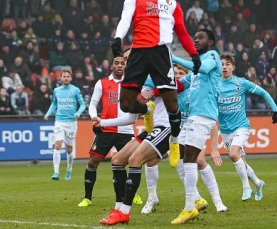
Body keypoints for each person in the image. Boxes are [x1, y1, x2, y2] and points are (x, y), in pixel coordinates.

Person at [110, 0, 201, 169]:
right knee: (125, 104)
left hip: (161, 54)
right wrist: (118, 37)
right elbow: (125, 19)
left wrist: (194, 54)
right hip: (139, 53)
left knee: (172, 106)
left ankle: (175, 141)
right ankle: (146, 110)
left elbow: (183, 32)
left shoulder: (172, 4)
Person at [141, 64, 227, 214]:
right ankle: (152, 197)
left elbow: (212, 123)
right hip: (169, 133)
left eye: (181, 72)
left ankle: (217, 201)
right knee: (151, 160)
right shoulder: (166, 92)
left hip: (190, 132)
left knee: (199, 161)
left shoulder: (193, 92)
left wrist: (214, 148)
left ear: (187, 75)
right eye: (175, 73)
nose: (178, 75)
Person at [99, 74, 171, 225]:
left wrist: (152, 93)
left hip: (166, 127)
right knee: (117, 160)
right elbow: (131, 118)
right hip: (151, 130)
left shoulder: (160, 76)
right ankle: (118, 209)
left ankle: (124, 212)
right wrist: (103, 122)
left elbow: (173, 87)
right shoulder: (140, 84)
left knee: (135, 160)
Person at [169, 29, 221, 224]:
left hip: (204, 116)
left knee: (190, 158)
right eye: (195, 37)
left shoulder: (212, 56)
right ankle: (195, 201)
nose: (196, 40)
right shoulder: (194, 73)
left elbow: (203, 68)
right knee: (182, 157)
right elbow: (179, 85)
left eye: (201, 37)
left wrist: (174, 57)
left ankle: (189, 207)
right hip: (192, 117)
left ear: (211, 42)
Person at [78, 55, 143, 207]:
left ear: (125, 66)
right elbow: (93, 104)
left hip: (126, 131)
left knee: (133, 162)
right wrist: (94, 117)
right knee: (93, 162)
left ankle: (132, 194)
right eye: (117, 63)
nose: (120, 66)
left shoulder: (132, 84)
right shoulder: (102, 83)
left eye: (122, 63)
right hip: (106, 129)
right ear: (112, 66)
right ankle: (87, 197)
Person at [218, 52, 277, 201]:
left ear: (233, 67)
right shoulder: (214, 84)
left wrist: (275, 109)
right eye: (222, 64)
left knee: (233, 154)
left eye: (227, 64)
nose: (224, 67)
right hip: (225, 130)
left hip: (241, 126)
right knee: (239, 159)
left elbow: (263, 92)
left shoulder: (241, 83)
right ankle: (258, 184)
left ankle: (246, 187)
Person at [44, 67, 85, 180]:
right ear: (60, 78)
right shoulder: (57, 90)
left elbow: (82, 105)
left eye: (68, 76)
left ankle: (69, 170)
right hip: (59, 121)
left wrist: (78, 113)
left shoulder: (75, 90)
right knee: (57, 145)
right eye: (64, 76)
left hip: (71, 123)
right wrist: (48, 114)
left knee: (69, 149)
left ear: (71, 78)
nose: (66, 78)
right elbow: (54, 104)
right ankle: (56, 172)